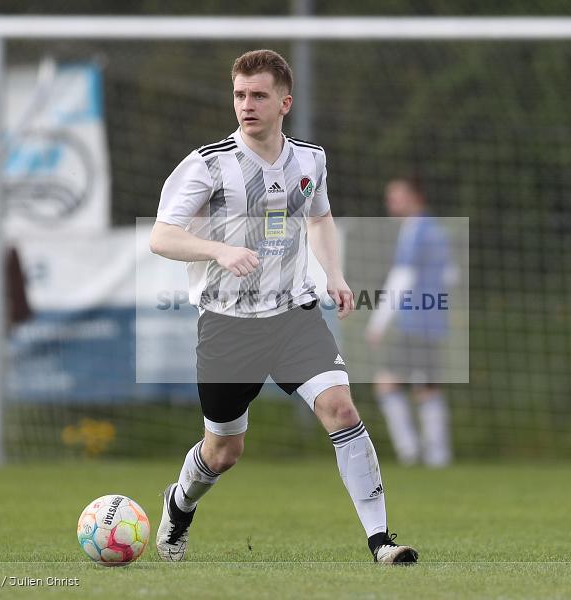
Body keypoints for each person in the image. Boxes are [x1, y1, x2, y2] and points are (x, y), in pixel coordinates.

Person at [149, 49, 417, 564]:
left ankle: (381, 542)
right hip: (227, 326)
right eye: (239, 95)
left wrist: (334, 275)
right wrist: (219, 250)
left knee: (340, 407)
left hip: (294, 315)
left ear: (284, 102)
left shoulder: (310, 159)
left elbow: (319, 217)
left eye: (258, 95)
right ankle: (179, 504)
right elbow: (162, 236)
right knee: (224, 451)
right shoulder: (209, 164)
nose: (246, 105)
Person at [366, 177, 457, 467]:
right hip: (433, 321)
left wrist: (378, 323)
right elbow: (451, 276)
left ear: (415, 196)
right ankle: (438, 456)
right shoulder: (436, 229)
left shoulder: (416, 230)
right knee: (427, 387)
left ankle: (410, 451)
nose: (390, 202)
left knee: (386, 385)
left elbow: (402, 278)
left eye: (397, 196)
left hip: (414, 321)